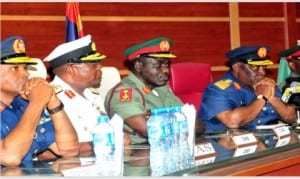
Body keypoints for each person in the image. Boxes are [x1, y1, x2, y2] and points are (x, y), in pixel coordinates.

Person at [43, 34, 130, 155]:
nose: (100, 67)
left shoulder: (92, 95)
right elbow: (47, 153)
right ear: (71, 68)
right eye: (94, 64)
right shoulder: (49, 97)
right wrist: (108, 141)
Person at [0, 36, 80, 167]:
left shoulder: (22, 105)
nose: (25, 74)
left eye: (25, 68)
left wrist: (53, 100)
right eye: (15, 68)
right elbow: (10, 157)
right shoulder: (32, 105)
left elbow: (69, 149)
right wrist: (37, 103)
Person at [199, 45, 296, 133]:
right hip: (230, 146)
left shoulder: (265, 83)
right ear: (236, 67)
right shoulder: (216, 90)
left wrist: (272, 98)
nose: (262, 72)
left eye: (264, 67)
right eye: (254, 67)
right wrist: (262, 98)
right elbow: (232, 122)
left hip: (269, 142)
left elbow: (291, 117)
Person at [104, 37, 183, 144]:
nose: (166, 70)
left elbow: (194, 121)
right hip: (137, 154)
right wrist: (182, 125)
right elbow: (148, 130)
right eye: (158, 65)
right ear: (138, 66)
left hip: (169, 147)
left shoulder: (162, 89)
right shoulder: (123, 93)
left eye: (167, 64)